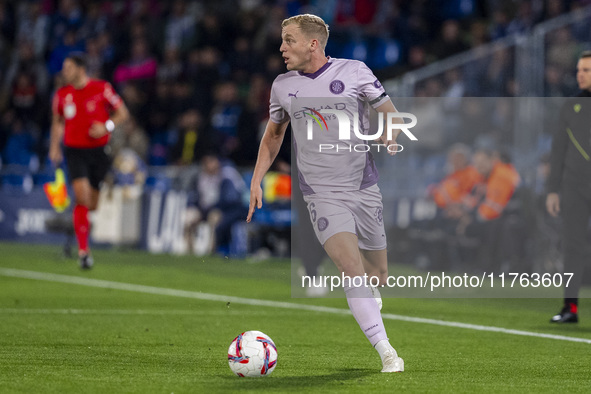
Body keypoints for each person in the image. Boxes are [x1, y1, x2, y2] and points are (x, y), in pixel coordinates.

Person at [246, 14, 404, 373]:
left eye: (289, 40)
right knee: (350, 270)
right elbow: (273, 136)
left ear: (313, 44)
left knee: (377, 274)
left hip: (362, 187)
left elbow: (392, 114)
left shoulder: (355, 71)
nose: (282, 47)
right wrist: (256, 180)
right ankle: (387, 352)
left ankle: (370, 290)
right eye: (282, 40)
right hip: (320, 193)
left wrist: (390, 134)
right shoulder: (283, 86)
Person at [49, 53, 129, 269]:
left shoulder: (102, 88)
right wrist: (54, 146)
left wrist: (106, 127)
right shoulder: (62, 94)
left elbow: (122, 113)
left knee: (91, 203)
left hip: (100, 151)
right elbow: (57, 121)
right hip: (74, 151)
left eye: (68, 68)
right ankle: (84, 253)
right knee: (82, 197)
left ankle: (79, 227)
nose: (64, 72)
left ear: (81, 69)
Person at [546, 51, 591, 323]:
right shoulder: (570, 106)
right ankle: (570, 308)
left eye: (586, 70)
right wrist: (553, 189)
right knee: (572, 246)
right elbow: (558, 150)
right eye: (579, 69)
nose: (580, 74)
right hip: (574, 186)